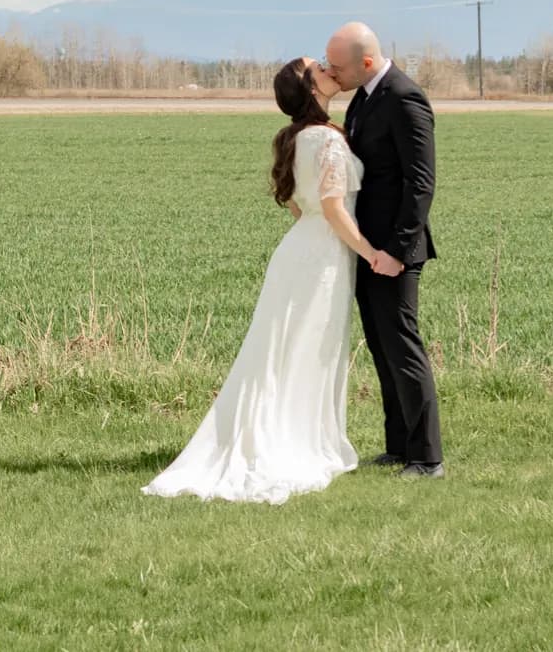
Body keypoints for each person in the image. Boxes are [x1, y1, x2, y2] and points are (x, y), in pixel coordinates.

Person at [142, 56, 378, 505]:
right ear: (311, 89)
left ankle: (293, 431)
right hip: (323, 256)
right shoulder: (327, 141)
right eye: (318, 67)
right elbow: (332, 208)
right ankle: (301, 440)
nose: (328, 67)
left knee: (287, 349)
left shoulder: (293, 139)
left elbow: (298, 205)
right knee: (311, 346)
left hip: (298, 250)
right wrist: (369, 253)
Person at [324, 22, 444, 478]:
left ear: (367, 62)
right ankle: (398, 445)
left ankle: (427, 457)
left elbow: (420, 183)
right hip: (368, 247)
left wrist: (396, 249)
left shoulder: (404, 97)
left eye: (337, 66)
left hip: (395, 251)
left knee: (403, 348)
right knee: (381, 347)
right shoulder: (364, 97)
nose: (332, 73)